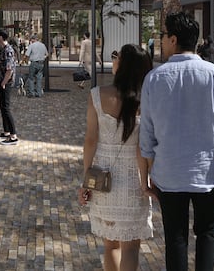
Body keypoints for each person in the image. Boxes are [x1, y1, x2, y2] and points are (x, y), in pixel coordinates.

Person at [139, 11, 214, 271]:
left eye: (162, 36)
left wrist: (148, 170)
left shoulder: (154, 79)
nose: (160, 41)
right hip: (207, 171)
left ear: (173, 39)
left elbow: (146, 131)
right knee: (207, 232)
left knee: (175, 236)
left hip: (168, 172)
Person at [78, 44, 154, 271]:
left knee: (110, 246)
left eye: (116, 57)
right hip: (133, 180)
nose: (114, 61)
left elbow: (90, 140)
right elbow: (143, 148)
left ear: (122, 65)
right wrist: (145, 183)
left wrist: (85, 178)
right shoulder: (146, 100)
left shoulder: (97, 95)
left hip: (103, 179)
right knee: (130, 248)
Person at [0, 29, 19, 144]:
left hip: (6, 83)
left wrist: (3, 83)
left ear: (0, 38)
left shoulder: (8, 50)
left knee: (6, 108)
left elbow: (9, 70)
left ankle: (13, 136)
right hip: (1, 81)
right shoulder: (3, 49)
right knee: (3, 107)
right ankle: (6, 132)